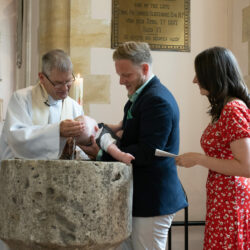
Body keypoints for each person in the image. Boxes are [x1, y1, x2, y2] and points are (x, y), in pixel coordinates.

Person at [81, 41, 188, 250]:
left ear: (145, 69)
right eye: (119, 75)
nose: (121, 81)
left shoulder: (157, 100)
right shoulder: (141, 96)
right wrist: (100, 132)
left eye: (126, 75)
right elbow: (130, 135)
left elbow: (147, 152)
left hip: (153, 198)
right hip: (141, 196)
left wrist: (102, 153)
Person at [175, 47, 250, 250]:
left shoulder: (233, 109)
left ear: (213, 74)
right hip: (222, 201)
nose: (194, 80)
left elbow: (246, 167)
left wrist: (199, 159)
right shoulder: (224, 109)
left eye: (198, 74)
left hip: (231, 202)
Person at [0, 49, 85, 166]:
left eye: (68, 81)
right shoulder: (22, 99)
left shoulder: (75, 107)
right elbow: (17, 139)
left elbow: (82, 150)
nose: (65, 88)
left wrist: (74, 148)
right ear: (42, 77)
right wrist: (58, 131)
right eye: (58, 83)